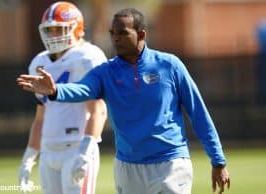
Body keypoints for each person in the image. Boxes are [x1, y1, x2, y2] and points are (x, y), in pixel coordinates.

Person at [17, 8, 231, 194]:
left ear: (141, 35)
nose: (115, 38)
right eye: (112, 33)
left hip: (172, 163)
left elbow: (199, 113)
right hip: (128, 167)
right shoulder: (105, 72)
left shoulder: (170, 65)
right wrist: (55, 91)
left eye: (122, 32)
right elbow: (82, 89)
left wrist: (218, 160)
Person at [17, 2, 107, 194]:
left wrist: (85, 152)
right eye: (50, 30)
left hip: (76, 147)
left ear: (77, 29)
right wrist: (29, 157)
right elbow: (40, 118)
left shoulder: (87, 57)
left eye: (59, 29)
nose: (54, 35)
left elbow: (98, 110)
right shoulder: (39, 62)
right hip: (49, 150)